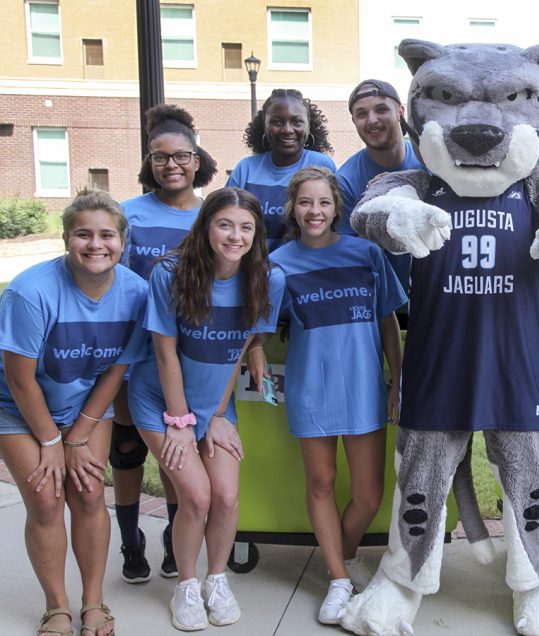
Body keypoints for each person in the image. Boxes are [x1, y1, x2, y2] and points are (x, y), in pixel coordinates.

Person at [127, 188, 284, 631]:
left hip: (215, 404)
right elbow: (164, 354)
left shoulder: (268, 278)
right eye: (225, 224)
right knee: (196, 496)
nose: (235, 236)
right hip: (160, 402)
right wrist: (180, 423)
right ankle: (187, 587)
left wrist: (215, 414)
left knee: (227, 496)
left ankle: (217, 579)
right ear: (206, 225)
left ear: (257, 234)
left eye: (246, 227)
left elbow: (239, 349)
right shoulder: (171, 273)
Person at [256, 167, 405, 623]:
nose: (314, 211)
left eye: (323, 202)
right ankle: (339, 578)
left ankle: (340, 554)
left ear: (337, 207)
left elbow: (387, 322)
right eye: (305, 203)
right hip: (310, 387)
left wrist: (398, 380)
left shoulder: (367, 254)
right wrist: (257, 352)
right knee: (320, 484)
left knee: (369, 496)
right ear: (292, 208)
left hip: (363, 387)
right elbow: (258, 323)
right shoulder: (279, 263)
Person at [0, 190, 149, 636]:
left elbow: (119, 368)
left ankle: (93, 603)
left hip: (84, 406)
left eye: (107, 235)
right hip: (17, 407)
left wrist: (78, 435)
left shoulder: (137, 293)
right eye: (83, 234)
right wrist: (51, 442)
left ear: (124, 241)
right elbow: (19, 380)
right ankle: (56, 608)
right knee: (46, 498)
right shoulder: (30, 292)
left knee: (87, 492)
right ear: (66, 238)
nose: (95, 244)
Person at [113, 103, 218, 585]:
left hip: (185, 358)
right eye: (160, 157)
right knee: (129, 449)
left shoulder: (212, 216)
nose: (170, 165)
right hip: (130, 352)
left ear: (197, 159)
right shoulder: (126, 215)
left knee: (179, 452)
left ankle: (176, 539)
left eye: (180, 156)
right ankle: (130, 539)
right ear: (148, 162)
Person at [336, 79, 424, 320]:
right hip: (380, 307)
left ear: (400, 112)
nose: (372, 120)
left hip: (435, 299)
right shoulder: (345, 179)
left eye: (381, 109)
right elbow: (346, 252)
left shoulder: (429, 162)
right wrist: (375, 214)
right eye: (361, 114)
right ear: (354, 121)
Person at [228, 88, 336, 252]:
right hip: (253, 270)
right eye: (277, 122)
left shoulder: (322, 166)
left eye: (297, 122)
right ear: (264, 125)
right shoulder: (246, 169)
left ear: (309, 126)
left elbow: (337, 223)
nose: (287, 129)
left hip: (304, 267)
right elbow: (226, 221)